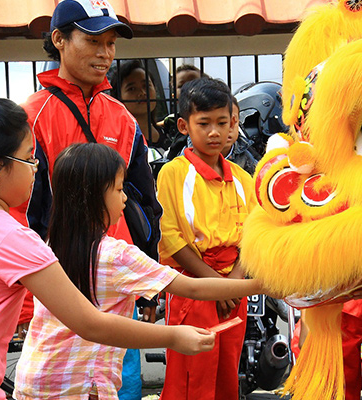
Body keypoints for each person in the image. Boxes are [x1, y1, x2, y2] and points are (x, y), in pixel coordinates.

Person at [0, 98, 215, 400]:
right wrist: (173, 336)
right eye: (30, 159)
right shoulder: (13, 239)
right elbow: (89, 323)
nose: (36, 170)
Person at [13, 142, 265, 399]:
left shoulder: (51, 245)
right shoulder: (115, 255)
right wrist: (261, 286)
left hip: (36, 378)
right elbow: (192, 287)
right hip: (83, 386)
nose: (125, 198)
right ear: (94, 196)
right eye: (120, 189)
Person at [9, 0, 162, 397]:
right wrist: (27, 300)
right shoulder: (32, 116)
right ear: (59, 39)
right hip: (57, 278)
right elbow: (22, 212)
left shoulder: (124, 119)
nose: (106, 54)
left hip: (117, 275)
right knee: (60, 376)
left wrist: (150, 280)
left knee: (121, 377)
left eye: (111, 43)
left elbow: (145, 202)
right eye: (94, 40)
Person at [156, 78, 255, 400]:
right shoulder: (173, 173)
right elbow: (169, 237)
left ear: (232, 124)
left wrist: (235, 282)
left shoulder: (243, 179)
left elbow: (256, 234)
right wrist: (216, 284)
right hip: (193, 286)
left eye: (222, 123)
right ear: (184, 125)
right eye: (204, 123)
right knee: (190, 377)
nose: (215, 132)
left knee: (228, 371)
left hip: (234, 285)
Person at [109, 59, 171, 153]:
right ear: (118, 96)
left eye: (146, 85)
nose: (142, 93)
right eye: (132, 89)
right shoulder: (116, 141)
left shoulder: (169, 134)